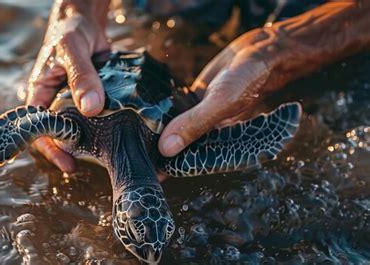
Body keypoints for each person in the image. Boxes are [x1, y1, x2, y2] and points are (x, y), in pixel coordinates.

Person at [26, 0, 370, 174]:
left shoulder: (76, 132)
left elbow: (34, 120)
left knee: (318, 83)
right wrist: (76, 11)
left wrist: (277, 50)